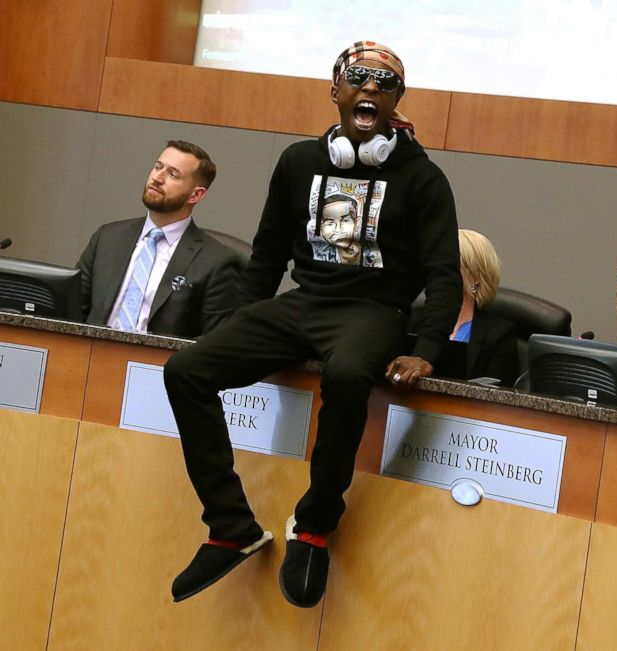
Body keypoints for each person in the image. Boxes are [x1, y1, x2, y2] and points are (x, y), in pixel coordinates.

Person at [163, 41, 461, 608]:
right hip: (303, 303)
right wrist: (233, 324)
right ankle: (231, 526)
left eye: (384, 82)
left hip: (375, 312)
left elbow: (444, 273)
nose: (369, 87)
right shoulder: (298, 161)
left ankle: (315, 525)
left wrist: (427, 348)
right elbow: (268, 252)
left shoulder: (425, 180)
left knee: (349, 377)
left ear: (396, 102)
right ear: (336, 90)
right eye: (357, 77)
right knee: (186, 370)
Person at [77, 140, 239, 338]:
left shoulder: (215, 262)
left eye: (173, 174)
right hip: (88, 358)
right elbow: (71, 312)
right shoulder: (107, 238)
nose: (157, 178)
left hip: (158, 366)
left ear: (195, 195)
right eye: (157, 167)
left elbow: (213, 342)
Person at [410, 229, 519, 386]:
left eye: (449, 264)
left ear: (475, 276)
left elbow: (502, 398)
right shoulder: (411, 319)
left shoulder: (499, 333)